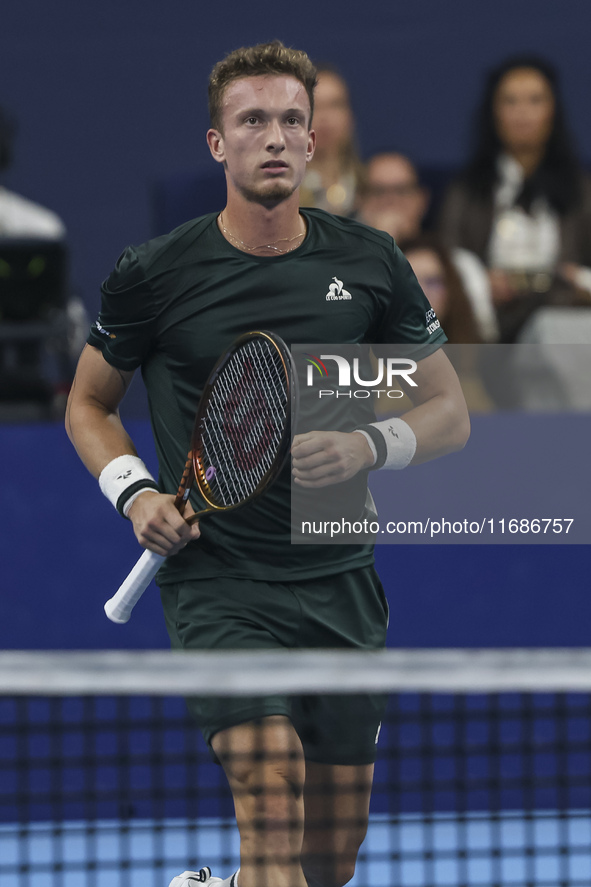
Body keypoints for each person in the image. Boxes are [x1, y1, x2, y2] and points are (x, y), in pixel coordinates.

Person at [65, 41, 469, 887]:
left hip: (339, 580)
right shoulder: (154, 274)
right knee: (271, 795)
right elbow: (87, 404)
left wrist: (368, 443)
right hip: (219, 582)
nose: (275, 137)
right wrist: (133, 491)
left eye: (292, 120)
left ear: (314, 142)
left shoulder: (369, 263)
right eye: (253, 120)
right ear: (218, 143)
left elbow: (448, 411)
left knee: (329, 855)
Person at [438, 55, 591, 343]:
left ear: (553, 110)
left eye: (535, 100)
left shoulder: (581, 191)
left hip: (562, 321)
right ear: (493, 112)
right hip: (487, 325)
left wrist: (576, 279)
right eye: (510, 101)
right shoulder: (467, 191)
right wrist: (479, 283)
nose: (523, 113)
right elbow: (445, 259)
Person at [358, 150, 498, 341]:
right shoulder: (339, 268)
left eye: (401, 190)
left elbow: (483, 344)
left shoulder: (463, 265)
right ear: (360, 201)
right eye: (378, 191)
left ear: (421, 200)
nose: (390, 201)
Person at [298, 65, 363, 216]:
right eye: (313, 106)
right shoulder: (279, 194)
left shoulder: (371, 188)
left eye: (335, 105)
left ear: (350, 116)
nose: (324, 117)